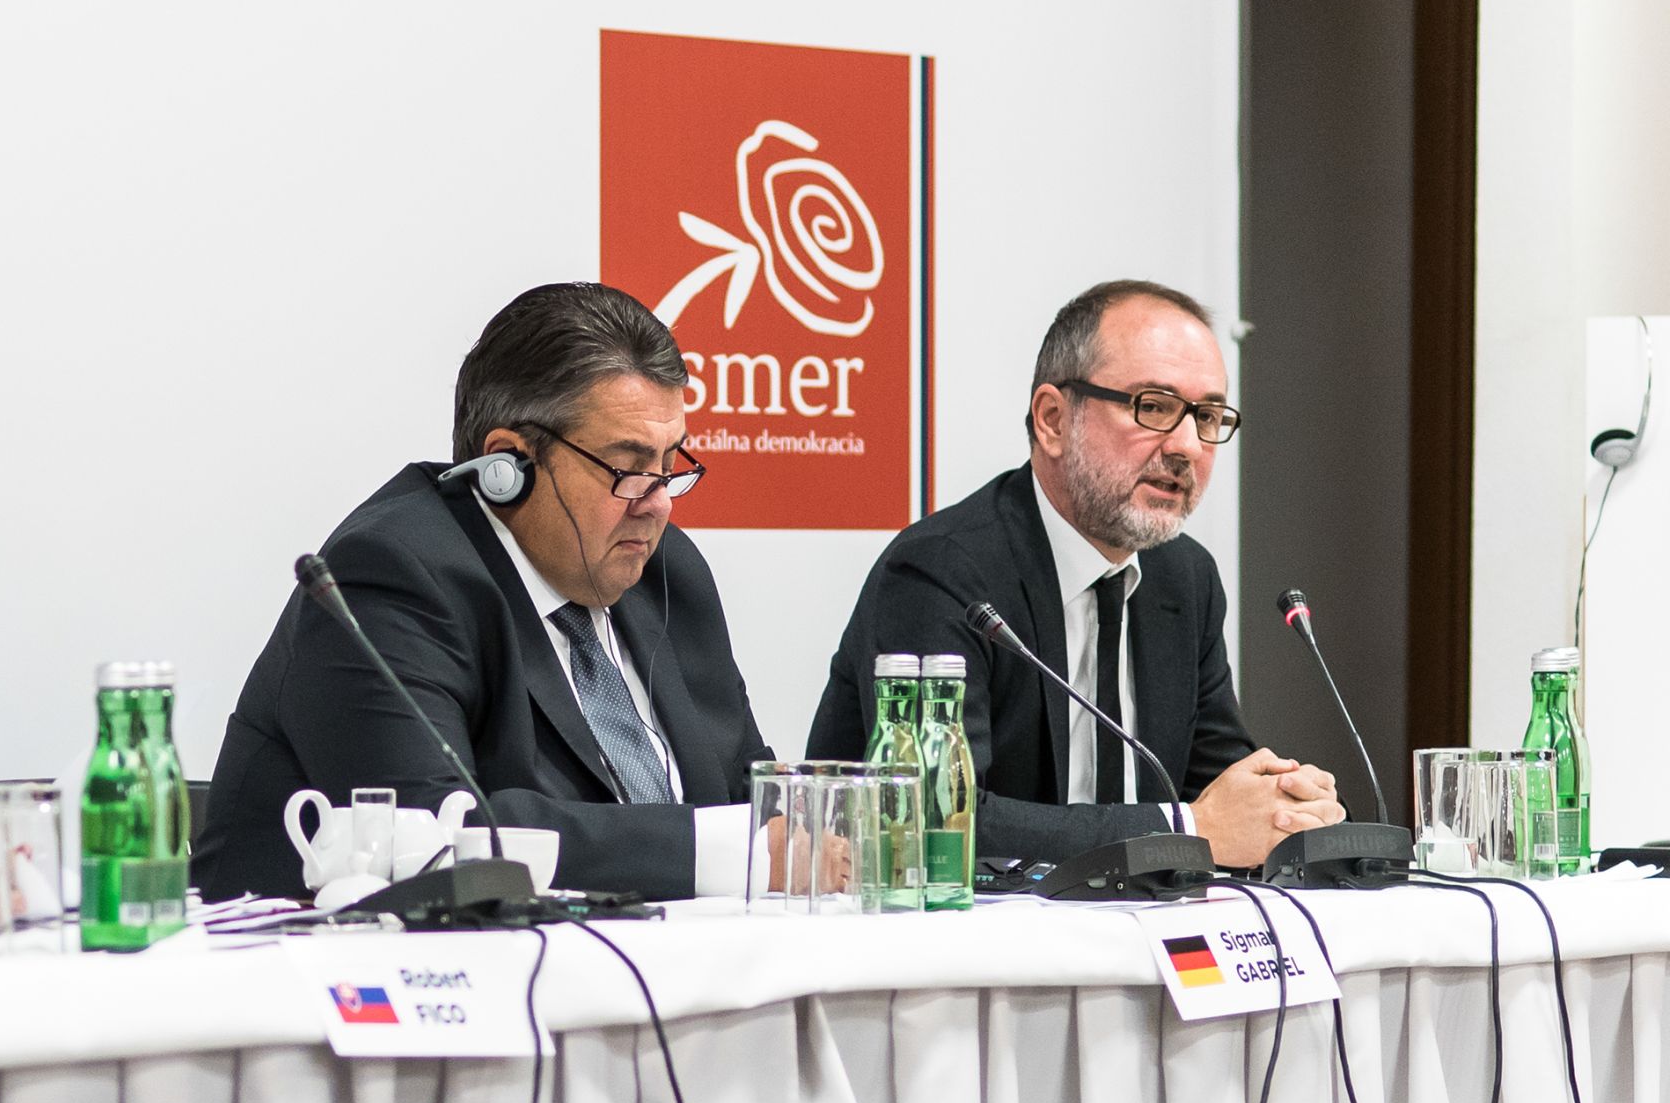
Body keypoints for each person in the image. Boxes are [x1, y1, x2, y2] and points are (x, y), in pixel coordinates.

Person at [193, 283, 772, 901]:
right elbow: (443, 840)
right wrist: (734, 854)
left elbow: (754, 795)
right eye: (627, 468)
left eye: (669, 466)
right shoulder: (391, 576)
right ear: (507, 467)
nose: (656, 503)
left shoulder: (666, 575)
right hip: (332, 979)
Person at [807, 280, 1345, 868]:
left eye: (1208, 416)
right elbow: (934, 821)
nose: (1188, 446)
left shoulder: (1184, 579)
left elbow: (1218, 785)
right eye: (1155, 407)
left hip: (1136, 937)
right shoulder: (944, 573)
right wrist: (1186, 828)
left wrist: (1283, 805)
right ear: (1054, 420)